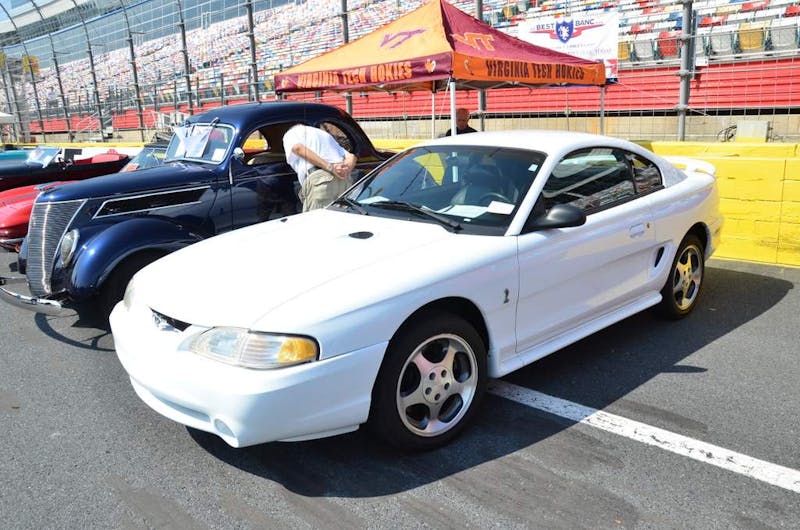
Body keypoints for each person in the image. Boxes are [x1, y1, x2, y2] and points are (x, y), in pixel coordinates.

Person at [283, 123, 357, 212]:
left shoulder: (291, 133)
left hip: (321, 181)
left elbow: (298, 148)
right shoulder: (324, 134)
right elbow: (351, 157)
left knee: (317, 222)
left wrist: (331, 168)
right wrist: (346, 170)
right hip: (343, 180)